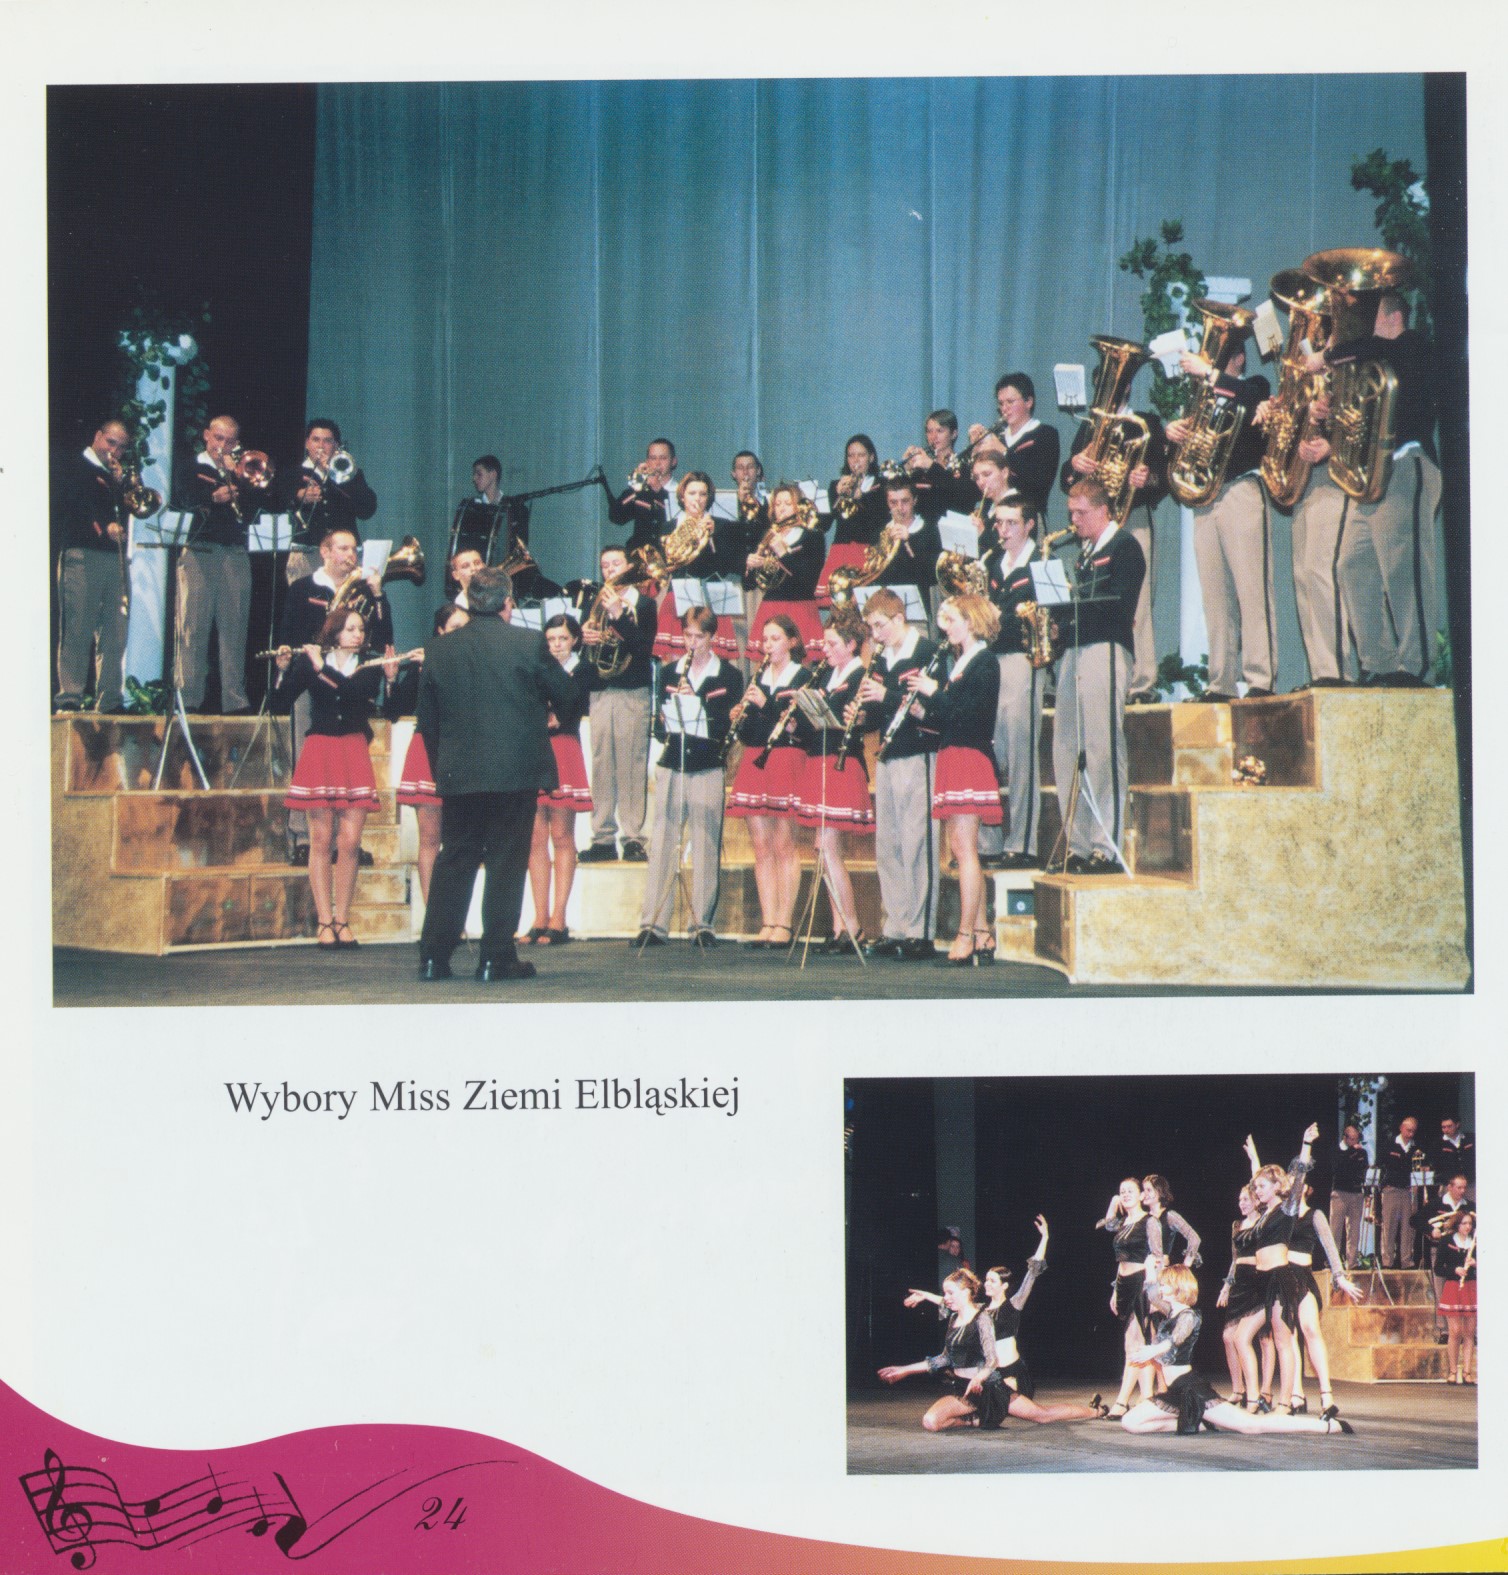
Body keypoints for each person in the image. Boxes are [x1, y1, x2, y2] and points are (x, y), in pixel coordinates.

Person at [415, 565, 577, 982]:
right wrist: (553, 714)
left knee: (455, 860)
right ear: (508, 603)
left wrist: (444, 767)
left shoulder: (439, 650)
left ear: (469, 602)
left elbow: (427, 723)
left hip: (460, 773)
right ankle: (495, 958)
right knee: (506, 862)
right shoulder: (528, 643)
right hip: (514, 772)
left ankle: (434, 957)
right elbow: (569, 693)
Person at [1321, 290, 1441, 685]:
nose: (1364, 331)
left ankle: (1417, 666)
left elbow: (1364, 350)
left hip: (1407, 465)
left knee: (1404, 569)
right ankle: (1380, 663)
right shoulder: (1375, 356)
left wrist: (1329, 354)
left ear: (1392, 318)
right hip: (1373, 476)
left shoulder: (1413, 344)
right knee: (1352, 564)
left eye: (1371, 319)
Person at [273, 607, 398, 950]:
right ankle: (325, 920)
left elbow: (351, 694)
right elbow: (280, 702)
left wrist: (389, 680)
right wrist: (283, 672)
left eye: (361, 629)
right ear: (335, 632)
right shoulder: (312, 661)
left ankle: (343, 919)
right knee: (321, 839)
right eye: (351, 629)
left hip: (353, 749)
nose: (358, 635)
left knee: (350, 841)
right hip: (321, 749)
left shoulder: (367, 665)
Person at [1119, 1265, 1353, 1437]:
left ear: (1178, 1286)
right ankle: (1201, 1421)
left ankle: (1325, 1426)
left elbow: (1176, 1339)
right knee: (1131, 1422)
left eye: (1165, 1284)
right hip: (1173, 1392)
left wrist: (1154, 1350)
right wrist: (1150, 1272)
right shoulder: (1170, 1311)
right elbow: (1151, 1294)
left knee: (1251, 1426)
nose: (1161, 1289)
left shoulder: (1189, 1316)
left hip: (1191, 1388)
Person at [1166, 335, 1275, 700]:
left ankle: (1260, 679)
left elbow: (1250, 399)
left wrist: (1211, 375)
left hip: (1241, 489)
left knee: (1252, 590)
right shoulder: (1203, 399)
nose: (1210, 363)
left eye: (1219, 357)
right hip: (1207, 500)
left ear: (1239, 359)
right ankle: (1221, 682)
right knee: (1215, 597)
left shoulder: (1254, 385)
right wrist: (1173, 435)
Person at [279, 526, 394, 866]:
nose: (350, 555)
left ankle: (346, 843)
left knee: (348, 763)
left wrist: (377, 596)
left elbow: (383, 637)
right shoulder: (304, 587)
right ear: (324, 552)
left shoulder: (365, 589)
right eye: (343, 548)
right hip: (314, 680)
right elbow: (291, 633)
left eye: (353, 549)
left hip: (352, 679)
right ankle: (305, 837)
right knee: (307, 754)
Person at [634, 606, 744, 949]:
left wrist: (695, 706)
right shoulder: (669, 672)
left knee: (706, 841)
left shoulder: (728, 676)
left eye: (699, 636)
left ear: (712, 637)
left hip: (707, 764)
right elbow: (658, 728)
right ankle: (653, 923)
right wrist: (665, 718)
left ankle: (701, 923)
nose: (692, 643)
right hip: (672, 763)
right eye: (687, 636)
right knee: (663, 841)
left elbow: (728, 727)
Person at [1052, 479, 1146, 875]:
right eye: (1071, 513)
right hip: (1075, 651)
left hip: (1105, 648)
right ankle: (1076, 844)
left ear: (1104, 510)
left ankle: (1106, 846)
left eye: (1081, 513)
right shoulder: (1084, 555)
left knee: (1102, 747)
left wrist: (1070, 610)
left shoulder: (1124, 547)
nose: (1074, 520)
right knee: (1066, 746)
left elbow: (1119, 605)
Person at [905, 593, 1002, 966]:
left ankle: (965, 934)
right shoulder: (962, 662)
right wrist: (921, 711)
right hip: (954, 753)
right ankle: (981, 932)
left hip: (969, 755)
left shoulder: (984, 662)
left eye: (952, 620)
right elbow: (947, 717)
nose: (945, 628)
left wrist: (933, 692)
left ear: (972, 622)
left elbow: (970, 715)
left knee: (964, 848)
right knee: (962, 849)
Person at [1061, 400, 1169, 705]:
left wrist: (1145, 479)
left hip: (1132, 517)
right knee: (1092, 596)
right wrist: (1075, 464)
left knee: (1138, 602)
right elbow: (1066, 480)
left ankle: (1142, 682)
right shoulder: (1091, 424)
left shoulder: (1145, 423)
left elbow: (1163, 479)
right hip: (1095, 523)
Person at [855, 589, 941, 961]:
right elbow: (879, 713)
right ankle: (896, 925)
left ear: (899, 618)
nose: (875, 635)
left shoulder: (926, 652)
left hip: (918, 751)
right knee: (888, 843)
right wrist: (862, 716)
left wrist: (884, 695)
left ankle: (920, 930)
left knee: (917, 842)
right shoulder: (882, 658)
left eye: (880, 626)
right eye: (871, 628)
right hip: (887, 755)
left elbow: (924, 706)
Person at [792, 605, 874, 953]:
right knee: (823, 849)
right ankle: (840, 926)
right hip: (819, 760)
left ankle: (852, 926)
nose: (825, 650)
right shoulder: (825, 675)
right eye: (824, 643)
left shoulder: (860, 677)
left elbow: (861, 719)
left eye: (832, 644)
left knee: (828, 848)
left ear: (852, 645)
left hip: (841, 763)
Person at [726, 614, 810, 950]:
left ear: (792, 641)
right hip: (756, 758)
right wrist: (741, 717)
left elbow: (798, 723)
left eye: (775, 639)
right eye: (765, 640)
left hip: (787, 758)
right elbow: (753, 729)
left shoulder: (803, 676)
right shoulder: (759, 676)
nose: (768, 646)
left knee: (784, 844)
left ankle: (785, 923)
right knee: (761, 846)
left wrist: (767, 704)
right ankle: (768, 920)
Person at [979, 493, 1050, 870]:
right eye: (999, 523)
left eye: (1011, 523)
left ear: (1029, 526)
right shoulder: (992, 562)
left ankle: (1023, 843)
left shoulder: (1043, 562)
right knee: (990, 752)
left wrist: (998, 616)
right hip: (992, 661)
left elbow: (1050, 614)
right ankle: (988, 842)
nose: (1002, 530)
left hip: (1024, 659)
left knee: (1022, 755)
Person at [979, 1217, 1106, 1424]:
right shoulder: (981, 1310)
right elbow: (955, 1302)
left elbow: (1032, 1274)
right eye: (986, 1279)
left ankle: (1095, 1411)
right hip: (992, 1374)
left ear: (1004, 1285)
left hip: (1012, 1375)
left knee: (1039, 1415)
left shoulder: (1013, 1305)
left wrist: (1045, 1237)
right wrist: (927, 1296)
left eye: (992, 1280)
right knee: (986, 1414)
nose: (986, 1283)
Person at [172, 413, 258, 714]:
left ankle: (234, 700)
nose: (223, 445)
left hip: (234, 553)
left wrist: (239, 477)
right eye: (218, 438)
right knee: (193, 627)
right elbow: (183, 498)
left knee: (234, 627)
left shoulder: (240, 471)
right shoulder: (191, 467)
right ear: (207, 435)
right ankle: (188, 699)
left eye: (230, 441)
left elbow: (256, 508)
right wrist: (212, 497)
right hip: (200, 551)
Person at [578, 544, 658, 865]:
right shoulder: (594, 601)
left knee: (631, 763)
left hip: (631, 690)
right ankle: (602, 837)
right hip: (601, 689)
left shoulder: (645, 604)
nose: (610, 570)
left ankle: (634, 837)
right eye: (605, 565)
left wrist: (619, 616)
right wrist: (585, 637)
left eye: (616, 564)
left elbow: (642, 648)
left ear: (628, 567)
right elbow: (585, 649)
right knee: (602, 764)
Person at [522, 614, 594, 947]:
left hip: (564, 749)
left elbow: (572, 705)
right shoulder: (538, 668)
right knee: (535, 838)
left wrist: (554, 713)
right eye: (550, 639)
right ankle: (539, 917)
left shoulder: (582, 669)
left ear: (575, 640)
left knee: (562, 836)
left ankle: (559, 918)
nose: (556, 645)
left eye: (563, 638)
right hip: (536, 748)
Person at [53, 418, 132, 713]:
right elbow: (74, 504)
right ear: (98, 436)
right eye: (111, 443)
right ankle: (70, 696)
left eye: (121, 447)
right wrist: (102, 527)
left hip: (114, 556)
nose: (115, 451)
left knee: (115, 630)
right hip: (82, 554)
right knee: (78, 626)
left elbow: (130, 508)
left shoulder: (113, 474)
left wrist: (122, 485)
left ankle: (110, 698)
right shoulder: (75, 464)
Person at [393, 603, 469, 905]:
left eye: (465, 628)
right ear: (440, 631)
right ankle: (433, 916)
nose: (461, 634)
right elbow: (395, 709)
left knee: (459, 841)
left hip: (462, 750)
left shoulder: (474, 662)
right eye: (454, 628)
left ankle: (454, 915)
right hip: (428, 749)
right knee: (430, 839)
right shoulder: (424, 663)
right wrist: (394, 678)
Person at [652, 471, 743, 662]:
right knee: (676, 659)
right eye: (692, 493)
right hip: (679, 594)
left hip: (711, 596)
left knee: (714, 659)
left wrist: (713, 536)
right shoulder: (669, 527)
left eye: (702, 494)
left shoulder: (722, 526)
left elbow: (731, 564)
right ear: (682, 496)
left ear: (708, 498)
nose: (697, 499)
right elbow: (663, 564)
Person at [278, 417, 377, 582]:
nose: (321, 446)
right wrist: (299, 496)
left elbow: (367, 510)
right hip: (306, 554)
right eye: (316, 440)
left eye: (327, 441)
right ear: (307, 443)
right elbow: (278, 502)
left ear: (336, 446)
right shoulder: (292, 474)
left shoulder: (351, 474)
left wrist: (336, 475)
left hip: (344, 554)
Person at [1095, 1176, 1162, 1418]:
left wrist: (1155, 1292)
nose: (1125, 1195)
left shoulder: (1150, 1221)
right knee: (1139, 1344)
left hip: (1141, 1283)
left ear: (1142, 1195)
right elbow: (1107, 1225)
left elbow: (1158, 1257)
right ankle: (1147, 1397)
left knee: (1133, 1344)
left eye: (1130, 1191)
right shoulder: (1123, 1223)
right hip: (1123, 1284)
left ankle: (1122, 1401)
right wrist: (1115, 1288)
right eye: (1121, 1191)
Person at [742, 484, 826, 657]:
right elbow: (749, 585)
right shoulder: (767, 535)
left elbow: (809, 580)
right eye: (777, 504)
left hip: (800, 607)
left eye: (788, 503)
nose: (782, 508)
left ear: (798, 506)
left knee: (800, 662)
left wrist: (783, 554)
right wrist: (750, 566)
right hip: (771, 606)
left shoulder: (813, 536)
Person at [968, 374, 1060, 515]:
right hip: (992, 515)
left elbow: (1038, 484)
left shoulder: (1046, 434)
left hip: (1027, 516)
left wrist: (1003, 452)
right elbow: (975, 492)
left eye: (1010, 402)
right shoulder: (998, 436)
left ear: (1028, 402)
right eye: (1001, 403)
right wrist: (975, 454)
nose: (1004, 408)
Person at [1215, 1185, 1271, 1410]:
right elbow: (1234, 1259)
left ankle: (1259, 1394)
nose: (1242, 1203)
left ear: (1257, 1201)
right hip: (1239, 1283)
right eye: (1240, 1199)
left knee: (1259, 1339)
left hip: (1258, 1282)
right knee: (1228, 1337)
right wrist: (1226, 1287)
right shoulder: (1236, 1225)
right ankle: (1238, 1390)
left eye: (1246, 1199)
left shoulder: (1263, 1222)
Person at [903, 408, 980, 524]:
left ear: (954, 434)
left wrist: (931, 467)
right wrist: (906, 471)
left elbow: (966, 497)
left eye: (940, 431)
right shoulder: (921, 468)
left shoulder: (965, 465)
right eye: (929, 431)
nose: (933, 436)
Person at [608, 437, 678, 555]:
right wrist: (636, 488)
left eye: (663, 458)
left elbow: (674, 519)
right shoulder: (641, 492)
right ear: (647, 462)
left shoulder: (681, 491)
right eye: (653, 458)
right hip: (639, 556)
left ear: (673, 461)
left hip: (668, 556)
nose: (657, 463)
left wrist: (659, 490)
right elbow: (616, 517)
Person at [1432, 1211, 1476, 1385]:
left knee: (1469, 1332)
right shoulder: (1447, 1241)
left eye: (1470, 1223)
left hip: (1471, 1287)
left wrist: (1475, 1264)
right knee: (1455, 1331)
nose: (1468, 1227)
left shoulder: (1476, 1242)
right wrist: (1454, 1270)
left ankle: (1467, 1372)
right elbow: (1438, 1268)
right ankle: (1452, 1371)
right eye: (1464, 1223)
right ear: (1457, 1224)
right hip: (1453, 1287)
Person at [1379, 1116, 1425, 1269]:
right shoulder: (1389, 1145)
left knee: (1408, 1227)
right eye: (1408, 1130)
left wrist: (1419, 1179)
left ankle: (1406, 1261)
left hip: (1409, 1191)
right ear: (1401, 1128)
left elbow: (1420, 1168)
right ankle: (1387, 1262)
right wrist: (1383, 1186)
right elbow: (1379, 1166)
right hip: (1391, 1190)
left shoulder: (1416, 1149)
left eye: (1413, 1131)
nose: (1410, 1134)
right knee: (1389, 1227)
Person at [1328, 1122, 1371, 1270]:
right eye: (1352, 1139)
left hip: (1356, 1193)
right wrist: (1352, 1152)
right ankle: (1333, 1262)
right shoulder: (1336, 1150)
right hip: (1340, 1193)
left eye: (1356, 1139)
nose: (1355, 1142)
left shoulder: (1362, 1153)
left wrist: (1367, 1193)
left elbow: (1363, 1171)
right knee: (1335, 1229)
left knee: (1354, 1230)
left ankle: (1352, 1262)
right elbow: (1338, 1169)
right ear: (1345, 1138)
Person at [1140, 1175, 1203, 1269]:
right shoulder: (1141, 1217)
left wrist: (1185, 1266)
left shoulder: (1170, 1216)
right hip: (1139, 1270)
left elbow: (1194, 1238)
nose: (1144, 1193)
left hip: (1159, 1270)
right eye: (1143, 1190)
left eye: (1148, 1190)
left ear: (1159, 1192)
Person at [1438, 1115, 1475, 1201]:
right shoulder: (1438, 1143)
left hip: (1470, 1185)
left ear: (1457, 1125)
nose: (1446, 1130)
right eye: (1443, 1127)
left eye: (1449, 1126)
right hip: (1450, 1186)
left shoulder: (1470, 1138)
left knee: (1472, 1206)